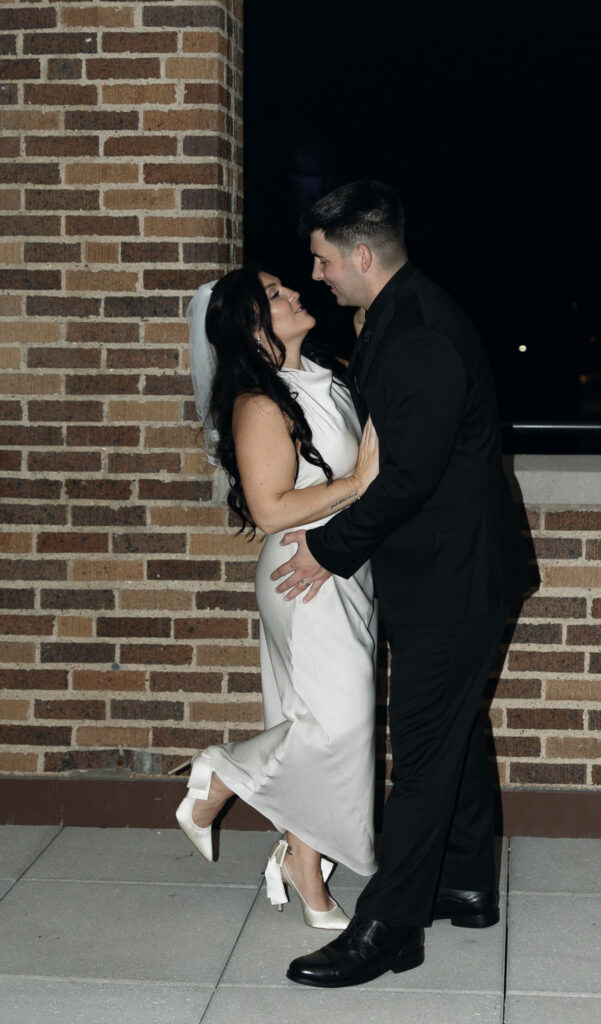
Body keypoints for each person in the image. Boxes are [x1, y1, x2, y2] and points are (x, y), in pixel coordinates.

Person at [271, 180, 534, 986]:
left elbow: (407, 477)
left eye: (320, 260)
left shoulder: (416, 330)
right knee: (454, 725)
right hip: (454, 567)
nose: (314, 274)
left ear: (359, 254)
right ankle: (463, 883)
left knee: (419, 748)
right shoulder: (391, 314)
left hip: (452, 576)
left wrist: (327, 549)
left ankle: (389, 927)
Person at [173, 267, 380, 930]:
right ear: (250, 329)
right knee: (338, 726)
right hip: (302, 572)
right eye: (275, 297)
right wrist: (359, 480)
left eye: (287, 288)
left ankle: (306, 876)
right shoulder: (260, 403)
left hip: (345, 568)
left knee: (311, 721)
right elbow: (270, 510)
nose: (294, 294)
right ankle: (222, 776)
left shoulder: (329, 377)